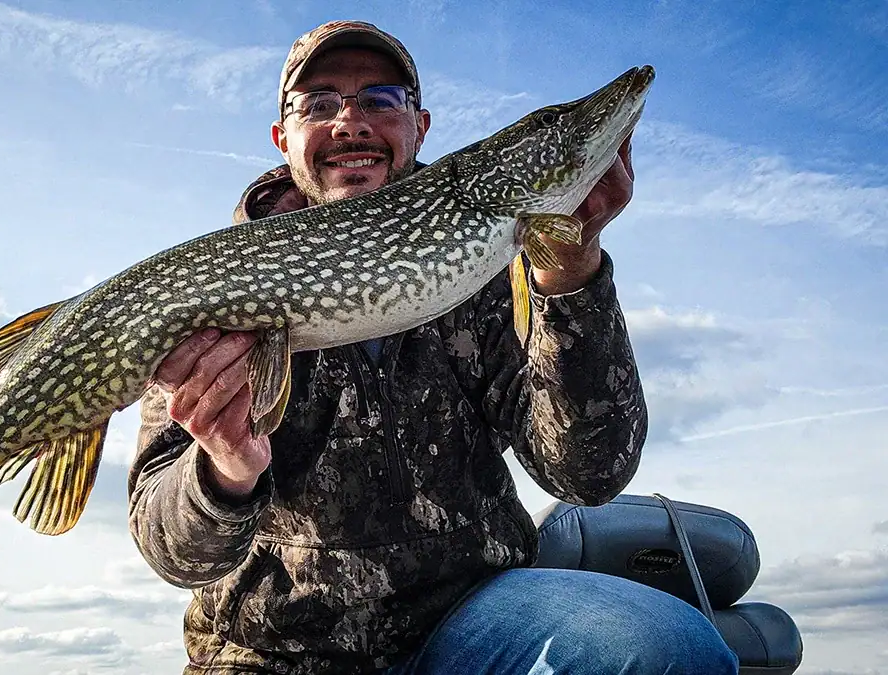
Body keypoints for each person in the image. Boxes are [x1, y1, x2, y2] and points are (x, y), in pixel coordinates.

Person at [127, 19, 739, 675]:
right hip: (269, 650)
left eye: (380, 101)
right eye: (321, 103)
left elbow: (589, 476)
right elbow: (175, 554)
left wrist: (571, 274)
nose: (351, 121)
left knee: (674, 652)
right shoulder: (213, 293)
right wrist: (223, 471)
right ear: (285, 136)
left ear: (419, 126)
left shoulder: (494, 277)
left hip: (471, 620)